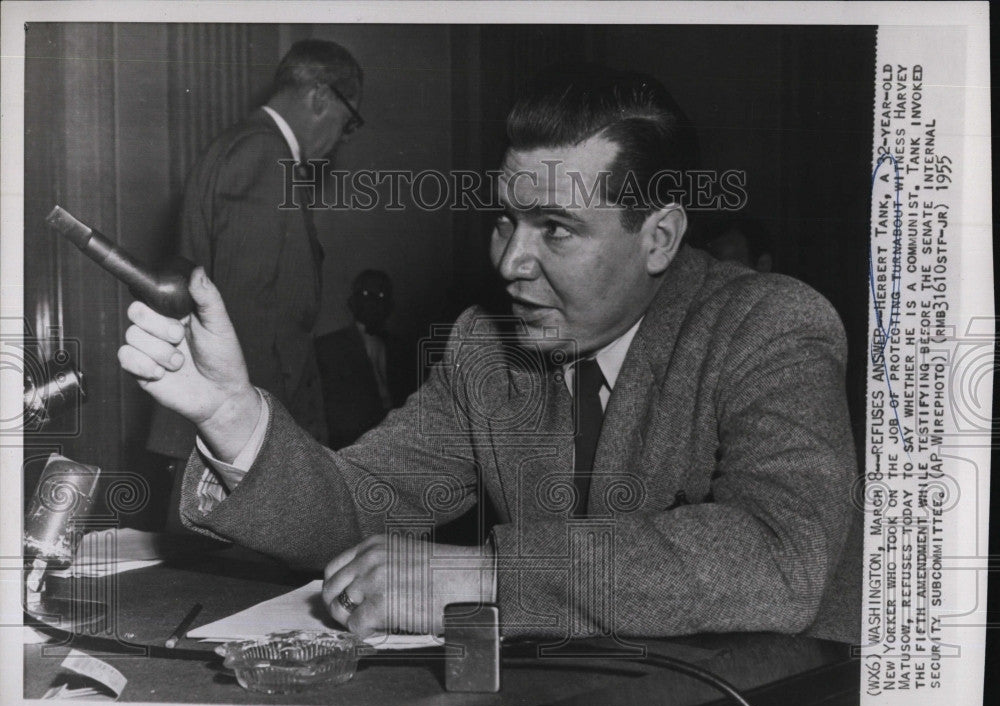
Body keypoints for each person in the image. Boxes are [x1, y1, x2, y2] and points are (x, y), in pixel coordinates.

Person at [119, 65, 860, 644]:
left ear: (660, 237)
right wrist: (231, 415)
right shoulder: (488, 346)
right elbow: (356, 510)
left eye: (555, 229)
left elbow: (779, 554)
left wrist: (494, 576)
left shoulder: (769, 325)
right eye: (506, 222)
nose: (511, 263)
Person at [146, 38, 364, 490]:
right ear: (321, 96)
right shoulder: (265, 158)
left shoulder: (239, 146)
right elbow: (254, 322)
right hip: (244, 448)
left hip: (221, 437)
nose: (343, 137)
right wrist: (276, 457)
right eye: (350, 121)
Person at [314, 269, 416, 449]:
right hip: (354, 447)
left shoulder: (403, 350)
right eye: (367, 294)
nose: (374, 301)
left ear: (390, 305)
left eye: (381, 295)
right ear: (352, 303)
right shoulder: (330, 348)